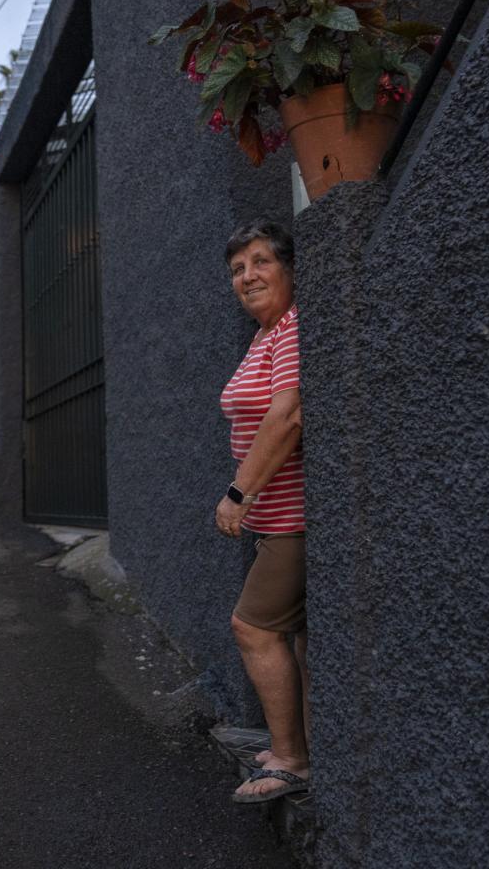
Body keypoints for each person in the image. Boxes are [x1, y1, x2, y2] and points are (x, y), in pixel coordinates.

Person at [216, 220, 310, 804]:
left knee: (252, 627)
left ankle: (292, 760)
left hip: (292, 519)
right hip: (275, 522)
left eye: (260, 262)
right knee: (290, 635)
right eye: (237, 269)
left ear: (289, 268)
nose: (247, 276)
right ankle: (291, 746)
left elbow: (288, 415)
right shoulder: (265, 335)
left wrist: (239, 494)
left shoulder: (292, 328)